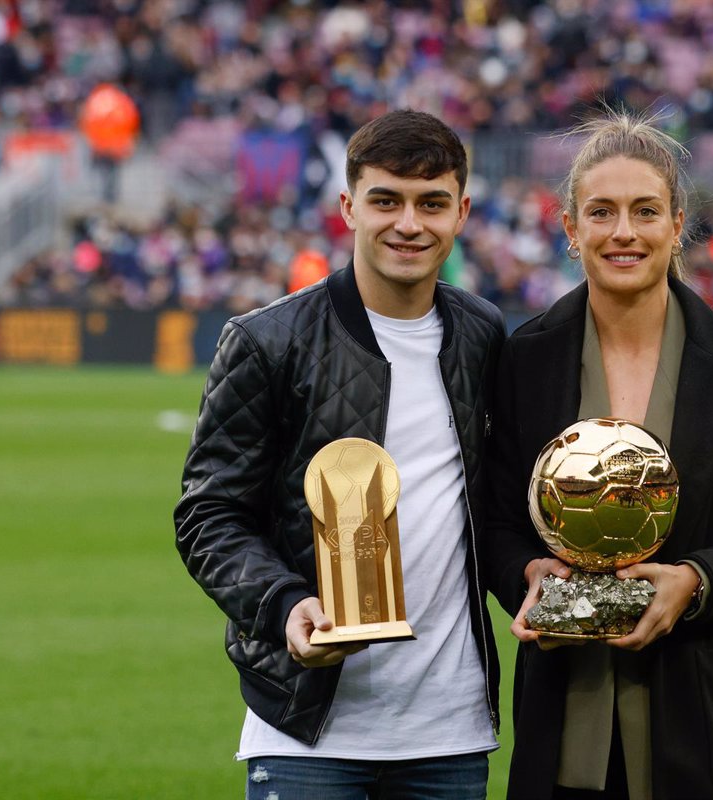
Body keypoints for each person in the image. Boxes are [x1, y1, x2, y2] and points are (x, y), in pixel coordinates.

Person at [483, 113, 713, 800]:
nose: (623, 233)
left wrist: (695, 581)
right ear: (570, 228)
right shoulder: (523, 360)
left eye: (645, 212)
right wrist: (528, 574)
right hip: (567, 729)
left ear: (676, 226)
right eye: (601, 213)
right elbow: (492, 519)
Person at [175, 109, 505, 799]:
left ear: (462, 212)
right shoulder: (267, 340)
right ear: (349, 206)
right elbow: (208, 515)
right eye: (386, 200)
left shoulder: (484, 336)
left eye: (431, 203)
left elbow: (494, 508)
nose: (408, 223)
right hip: (306, 730)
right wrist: (284, 604)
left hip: (450, 733)